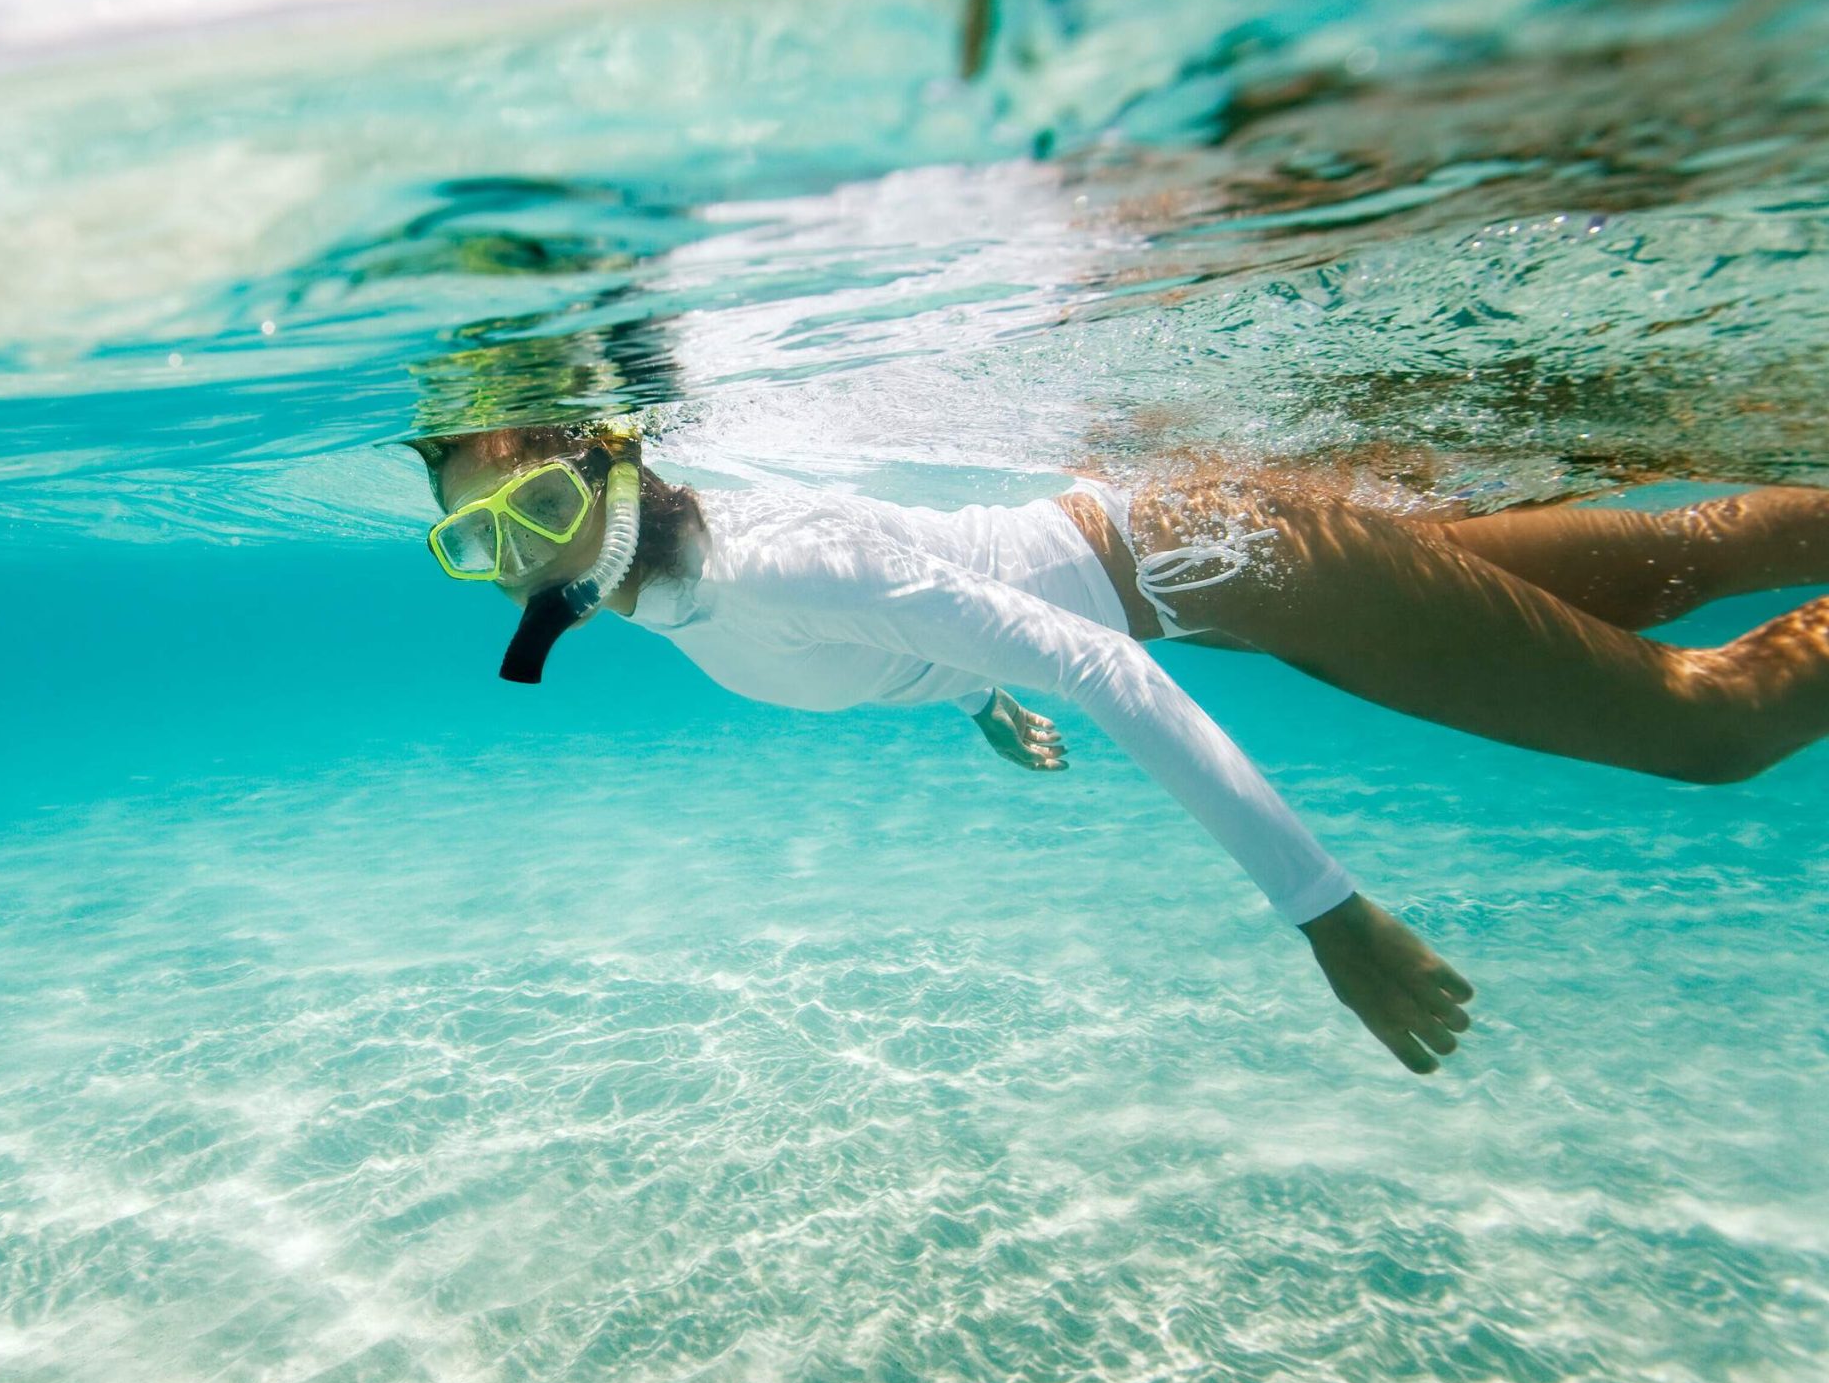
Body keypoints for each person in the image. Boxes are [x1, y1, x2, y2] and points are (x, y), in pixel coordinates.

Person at [409, 422, 1829, 1074]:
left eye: (533, 504)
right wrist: (971, 688)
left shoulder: (766, 564)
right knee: (1656, 565)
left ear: (607, 452)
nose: (523, 559)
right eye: (476, 544)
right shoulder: (687, 575)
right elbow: (936, 574)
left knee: (1709, 726)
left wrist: (1325, 912)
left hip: (1232, 563)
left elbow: (1087, 657)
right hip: (1217, 557)